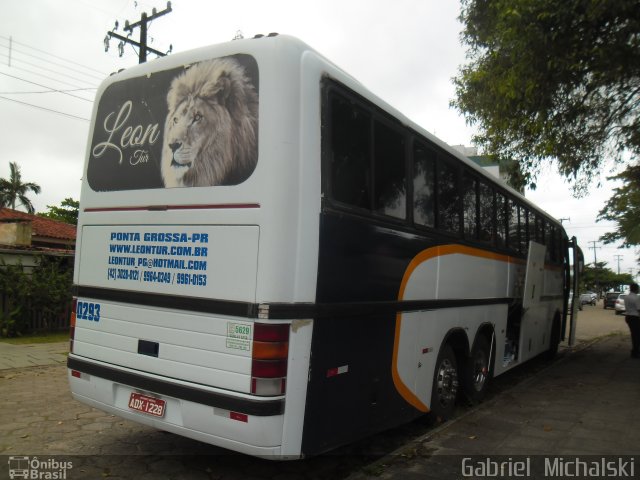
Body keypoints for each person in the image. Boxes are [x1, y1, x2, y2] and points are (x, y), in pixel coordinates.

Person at [624, 283, 640, 358]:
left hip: (628, 317)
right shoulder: (637, 297)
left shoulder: (626, 297)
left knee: (634, 334)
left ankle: (635, 351)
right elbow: (639, 309)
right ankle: (635, 351)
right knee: (637, 335)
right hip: (635, 317)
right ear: (636, 289)